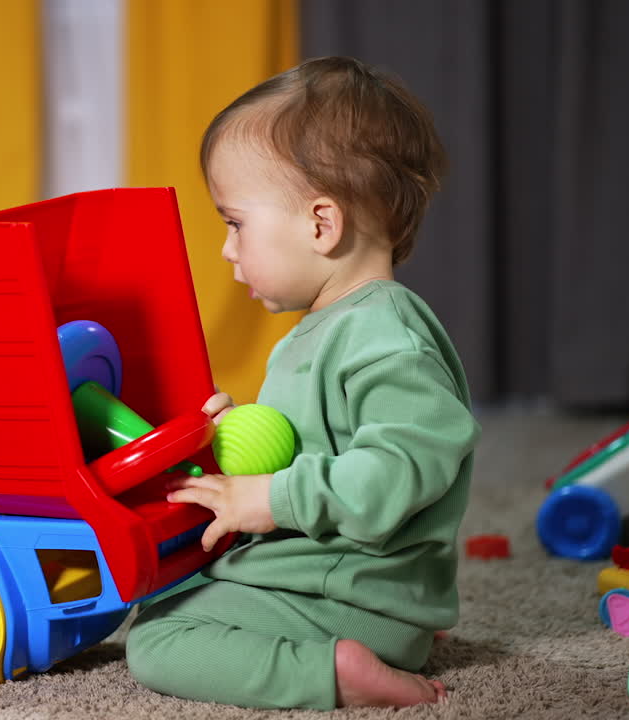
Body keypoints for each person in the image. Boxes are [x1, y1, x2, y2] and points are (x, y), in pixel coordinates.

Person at [124, 56, 481, 710]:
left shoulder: (387, 337)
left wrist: (274, 498)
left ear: (321, 224)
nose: (228, 250)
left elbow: (397, 473)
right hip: (325, 578)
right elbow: (323, 442)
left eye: (235, 224)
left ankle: (334, 671)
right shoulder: (332, 326)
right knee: (161, 588)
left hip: (354, 598)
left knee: (157, 640)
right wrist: (243, 442)